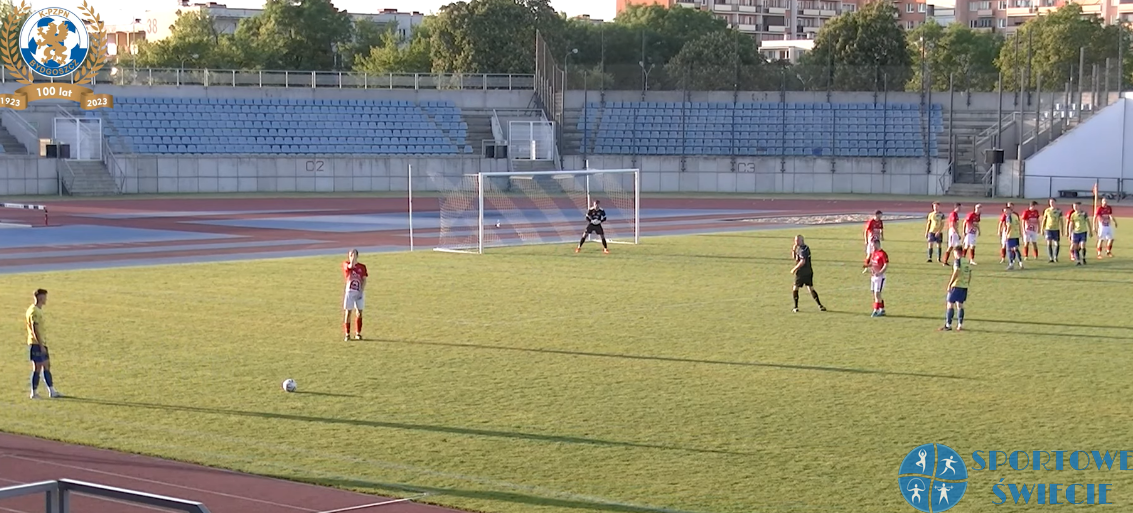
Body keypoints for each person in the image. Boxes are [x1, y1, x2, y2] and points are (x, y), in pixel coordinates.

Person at [26, 289, 61, 399]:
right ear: (40, 298)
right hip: (36, 343)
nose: (46, 299)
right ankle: (34, 392)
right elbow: (35, 329)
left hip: (41, 342)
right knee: (37, 367)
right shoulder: (34, 311)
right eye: (45, 297)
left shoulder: (37, 310)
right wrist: (41, 345)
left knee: (46, 365)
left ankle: (52, 391)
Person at [789, 235, 827, 313]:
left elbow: (802, 261)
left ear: (802, 240)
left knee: (795, 288)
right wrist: (794, 249)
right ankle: (820, 305)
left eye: (797, 240)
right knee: (810, 288)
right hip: (809, 271)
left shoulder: (803, 249)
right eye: (795, 240)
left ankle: (796, 307)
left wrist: (794, 269)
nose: (796, 242)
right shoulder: (800, 248)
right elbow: (795, 258)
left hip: (802, 272)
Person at [939, 249, 972, 332]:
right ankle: (960, 325)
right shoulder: (967, 261)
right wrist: (967, 283)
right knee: (960, 305)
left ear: (957, 253)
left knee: (950, 304)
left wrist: (950, 283)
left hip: (956, 285)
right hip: (964, 286)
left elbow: (956, 271)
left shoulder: (958, 261)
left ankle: (948, 325)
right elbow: (970, 273)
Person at [342, 249, 368, 341]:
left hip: (359, 291)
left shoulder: (362, 267)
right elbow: (350, 267)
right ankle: (347, 334)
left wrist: (362, 290)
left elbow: (364, 279)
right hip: (349, 292)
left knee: (359, 312)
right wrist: (352, 260)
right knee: (348, 312)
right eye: (350, 255)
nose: (351, 257)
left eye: (353, 255)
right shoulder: (346, 264)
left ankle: (358, 333)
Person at [864, 242, 889, 317]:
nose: (872, 247)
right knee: (874, 293)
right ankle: (882, 309)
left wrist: (880, 272)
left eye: (873, 246)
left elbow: (886, 264)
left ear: (877, 245)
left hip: (880, 277)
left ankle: (876, 310)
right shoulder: (874, 253)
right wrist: (868, 265)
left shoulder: (883, 254)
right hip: (873, 276)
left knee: (877, 293)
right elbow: (873, 263)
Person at [1042, 198, 1064, 263]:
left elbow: (1061, 221)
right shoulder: (1047, 210)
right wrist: (1042, 228)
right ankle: (1051, 257)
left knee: (1057, 243)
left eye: (1053, 202)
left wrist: (1062, 230)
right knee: (1049, 242)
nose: (1051, 203)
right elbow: (1044, 219)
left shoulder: (1059, 211)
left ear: (1055, 202)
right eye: (1050, 202)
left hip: (1056, 229)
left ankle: (1055, 257)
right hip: (1048, 229)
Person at [1003, 205, 1023, 270]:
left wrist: (1006, 234)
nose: (1005, 213)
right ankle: (1020, 263)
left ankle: (1011, 264)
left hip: (1011, 235)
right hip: (1016, 235)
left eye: (1006, 211)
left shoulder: (1009, 217)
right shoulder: (1015, 216)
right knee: (1016, 249)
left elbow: (1009, 226)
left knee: (1009, 250)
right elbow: (1019, 224)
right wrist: (1020, 233)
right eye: (1004, 211)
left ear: (1009, 210)